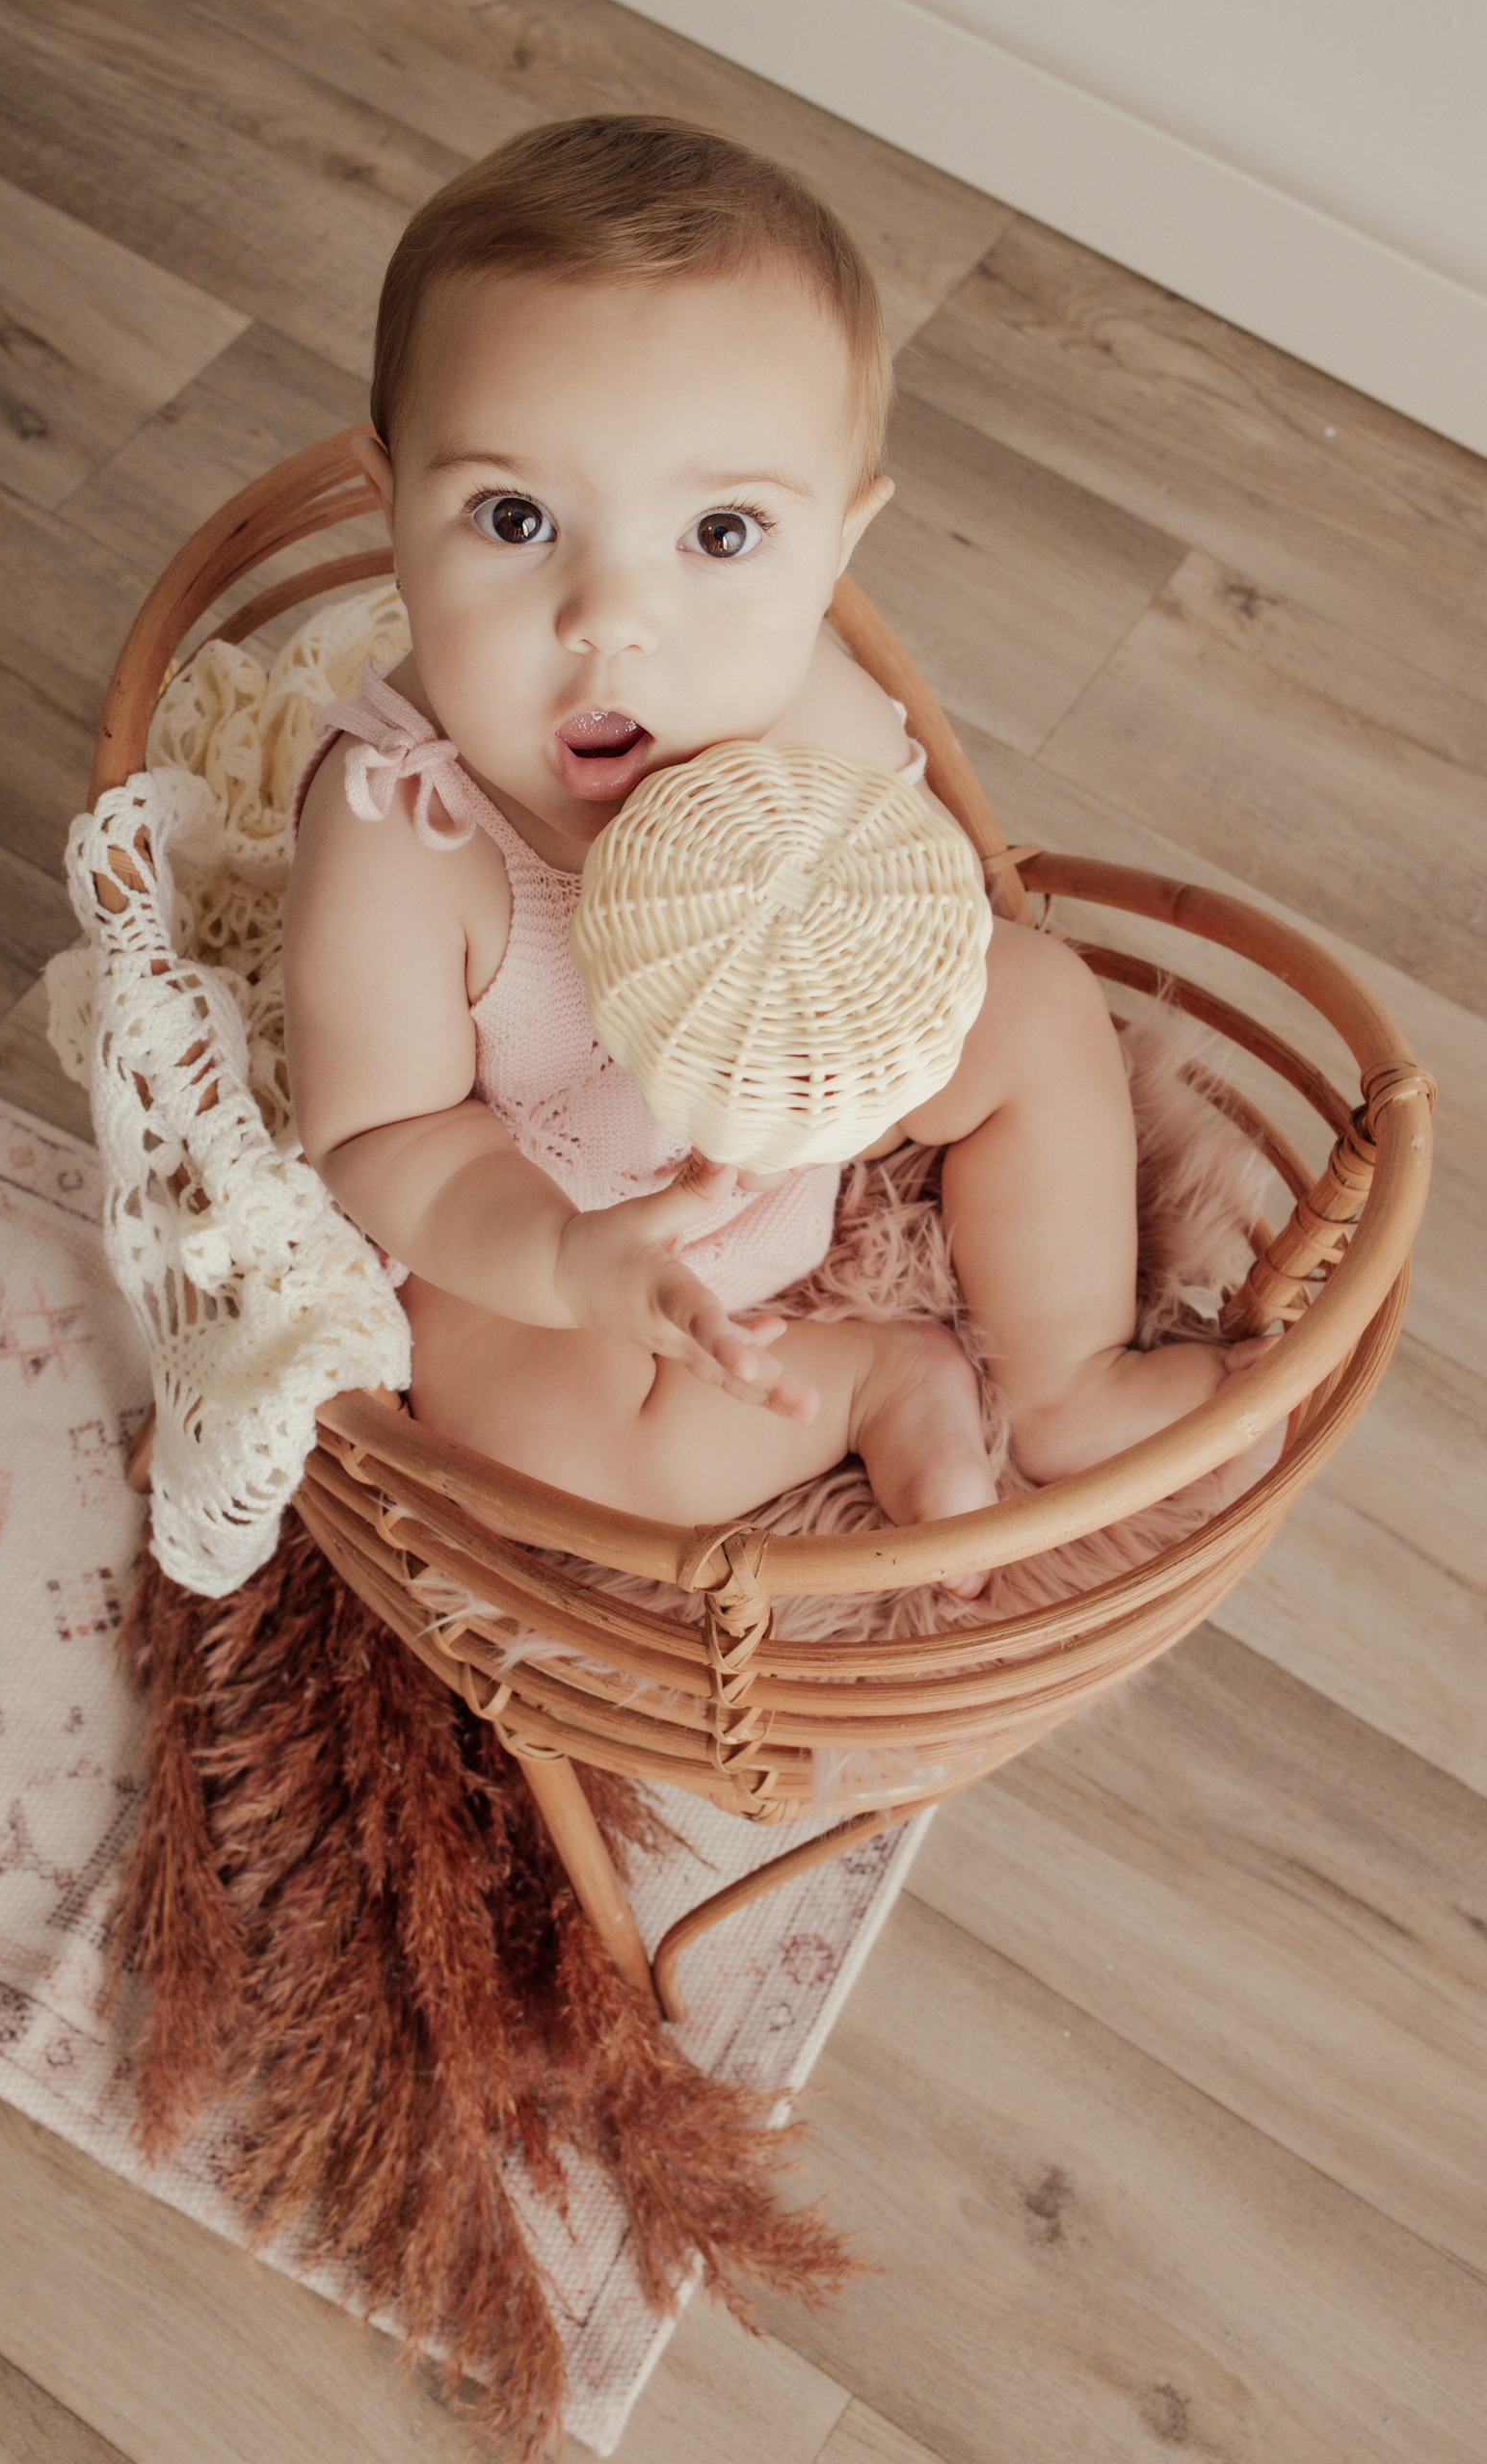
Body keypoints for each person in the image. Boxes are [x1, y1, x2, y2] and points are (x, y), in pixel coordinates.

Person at [282, 115, 1264, 1579]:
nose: (613, 622)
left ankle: (1065, 1380)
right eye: (515, 516)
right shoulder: (404, 831)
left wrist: (875, 1015)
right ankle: (872, 1382)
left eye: (722, 535)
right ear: (389, 512)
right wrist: (559, 1259)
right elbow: (386, 1139)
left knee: (1038, 1000)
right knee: (534, 1459)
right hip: (558, 1202)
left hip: (800, 1121)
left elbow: (912, 908)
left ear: (838, 547)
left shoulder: (813, 720)